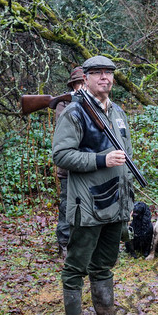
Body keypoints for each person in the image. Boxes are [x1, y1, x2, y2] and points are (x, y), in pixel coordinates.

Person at [52, 55, 136, 315]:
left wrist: (128, 199)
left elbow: (126, 157)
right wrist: (101, 158)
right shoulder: (74, 113)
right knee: (75, 267)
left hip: (115, 201)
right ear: (85, 78)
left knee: (104, 264)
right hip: (87, 203)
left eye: (109, 73)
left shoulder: (118, 112)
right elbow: (61, 155)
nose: (105, 78)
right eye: (98, 73)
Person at [55, 66, 85, 259]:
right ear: (73, 85)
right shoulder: (63, 105)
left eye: (84, 82)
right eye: (79, 83)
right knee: (67, 206)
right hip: (68, 167)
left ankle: (83, 243)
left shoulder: (95, 101)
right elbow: (67, 128)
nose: (82, 86)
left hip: (88, 165)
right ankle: (64, 244)